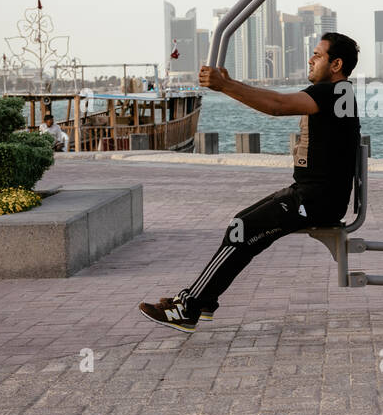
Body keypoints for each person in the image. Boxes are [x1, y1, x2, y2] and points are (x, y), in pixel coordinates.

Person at [138, 32, 361, 332]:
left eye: (318, 55)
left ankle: (188, 307)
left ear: (336, 64)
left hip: (316, 200)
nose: (310, 58)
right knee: (239, 225)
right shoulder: (339, 93)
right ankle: (202, 301)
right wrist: (229, 85)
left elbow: (277, 105)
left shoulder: (331, 93)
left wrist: (226, 85)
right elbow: (276, 101)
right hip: (312, 195)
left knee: (241, 231)